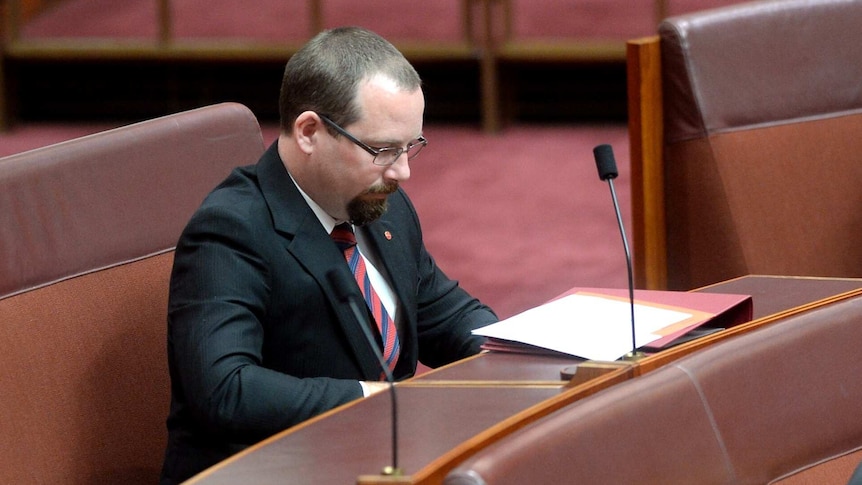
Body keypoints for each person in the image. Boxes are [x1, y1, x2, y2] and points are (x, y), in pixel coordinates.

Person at [159, 26, 498, 484]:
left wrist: (522, 350)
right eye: (382, 150)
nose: (402, 171)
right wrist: (377, 401)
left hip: (373, 461)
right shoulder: (232, 230)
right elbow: (226, 389)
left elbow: (441, 313)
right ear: (309, 131)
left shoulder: (382, 204)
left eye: (410, 147)